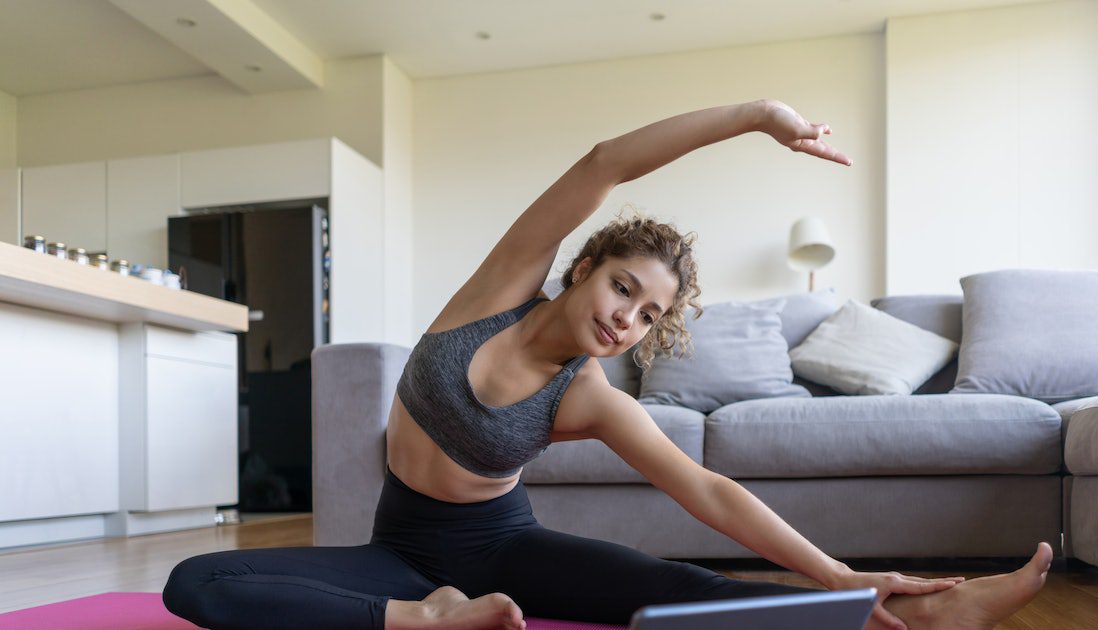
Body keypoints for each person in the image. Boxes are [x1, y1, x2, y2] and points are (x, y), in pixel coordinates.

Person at [162, 99, 1051, 630]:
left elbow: (709, 492)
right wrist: (757, 117)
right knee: (195, 581)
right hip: (401, 556)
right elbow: (604, 163)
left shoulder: (583, 395)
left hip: (505, 550)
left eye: (650, 315)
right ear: (583, 268)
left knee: (681, 595)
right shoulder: (498, 290)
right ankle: (420, 621)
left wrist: (841, 574)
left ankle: (923, 612)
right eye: (622, 289)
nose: (627, 318)